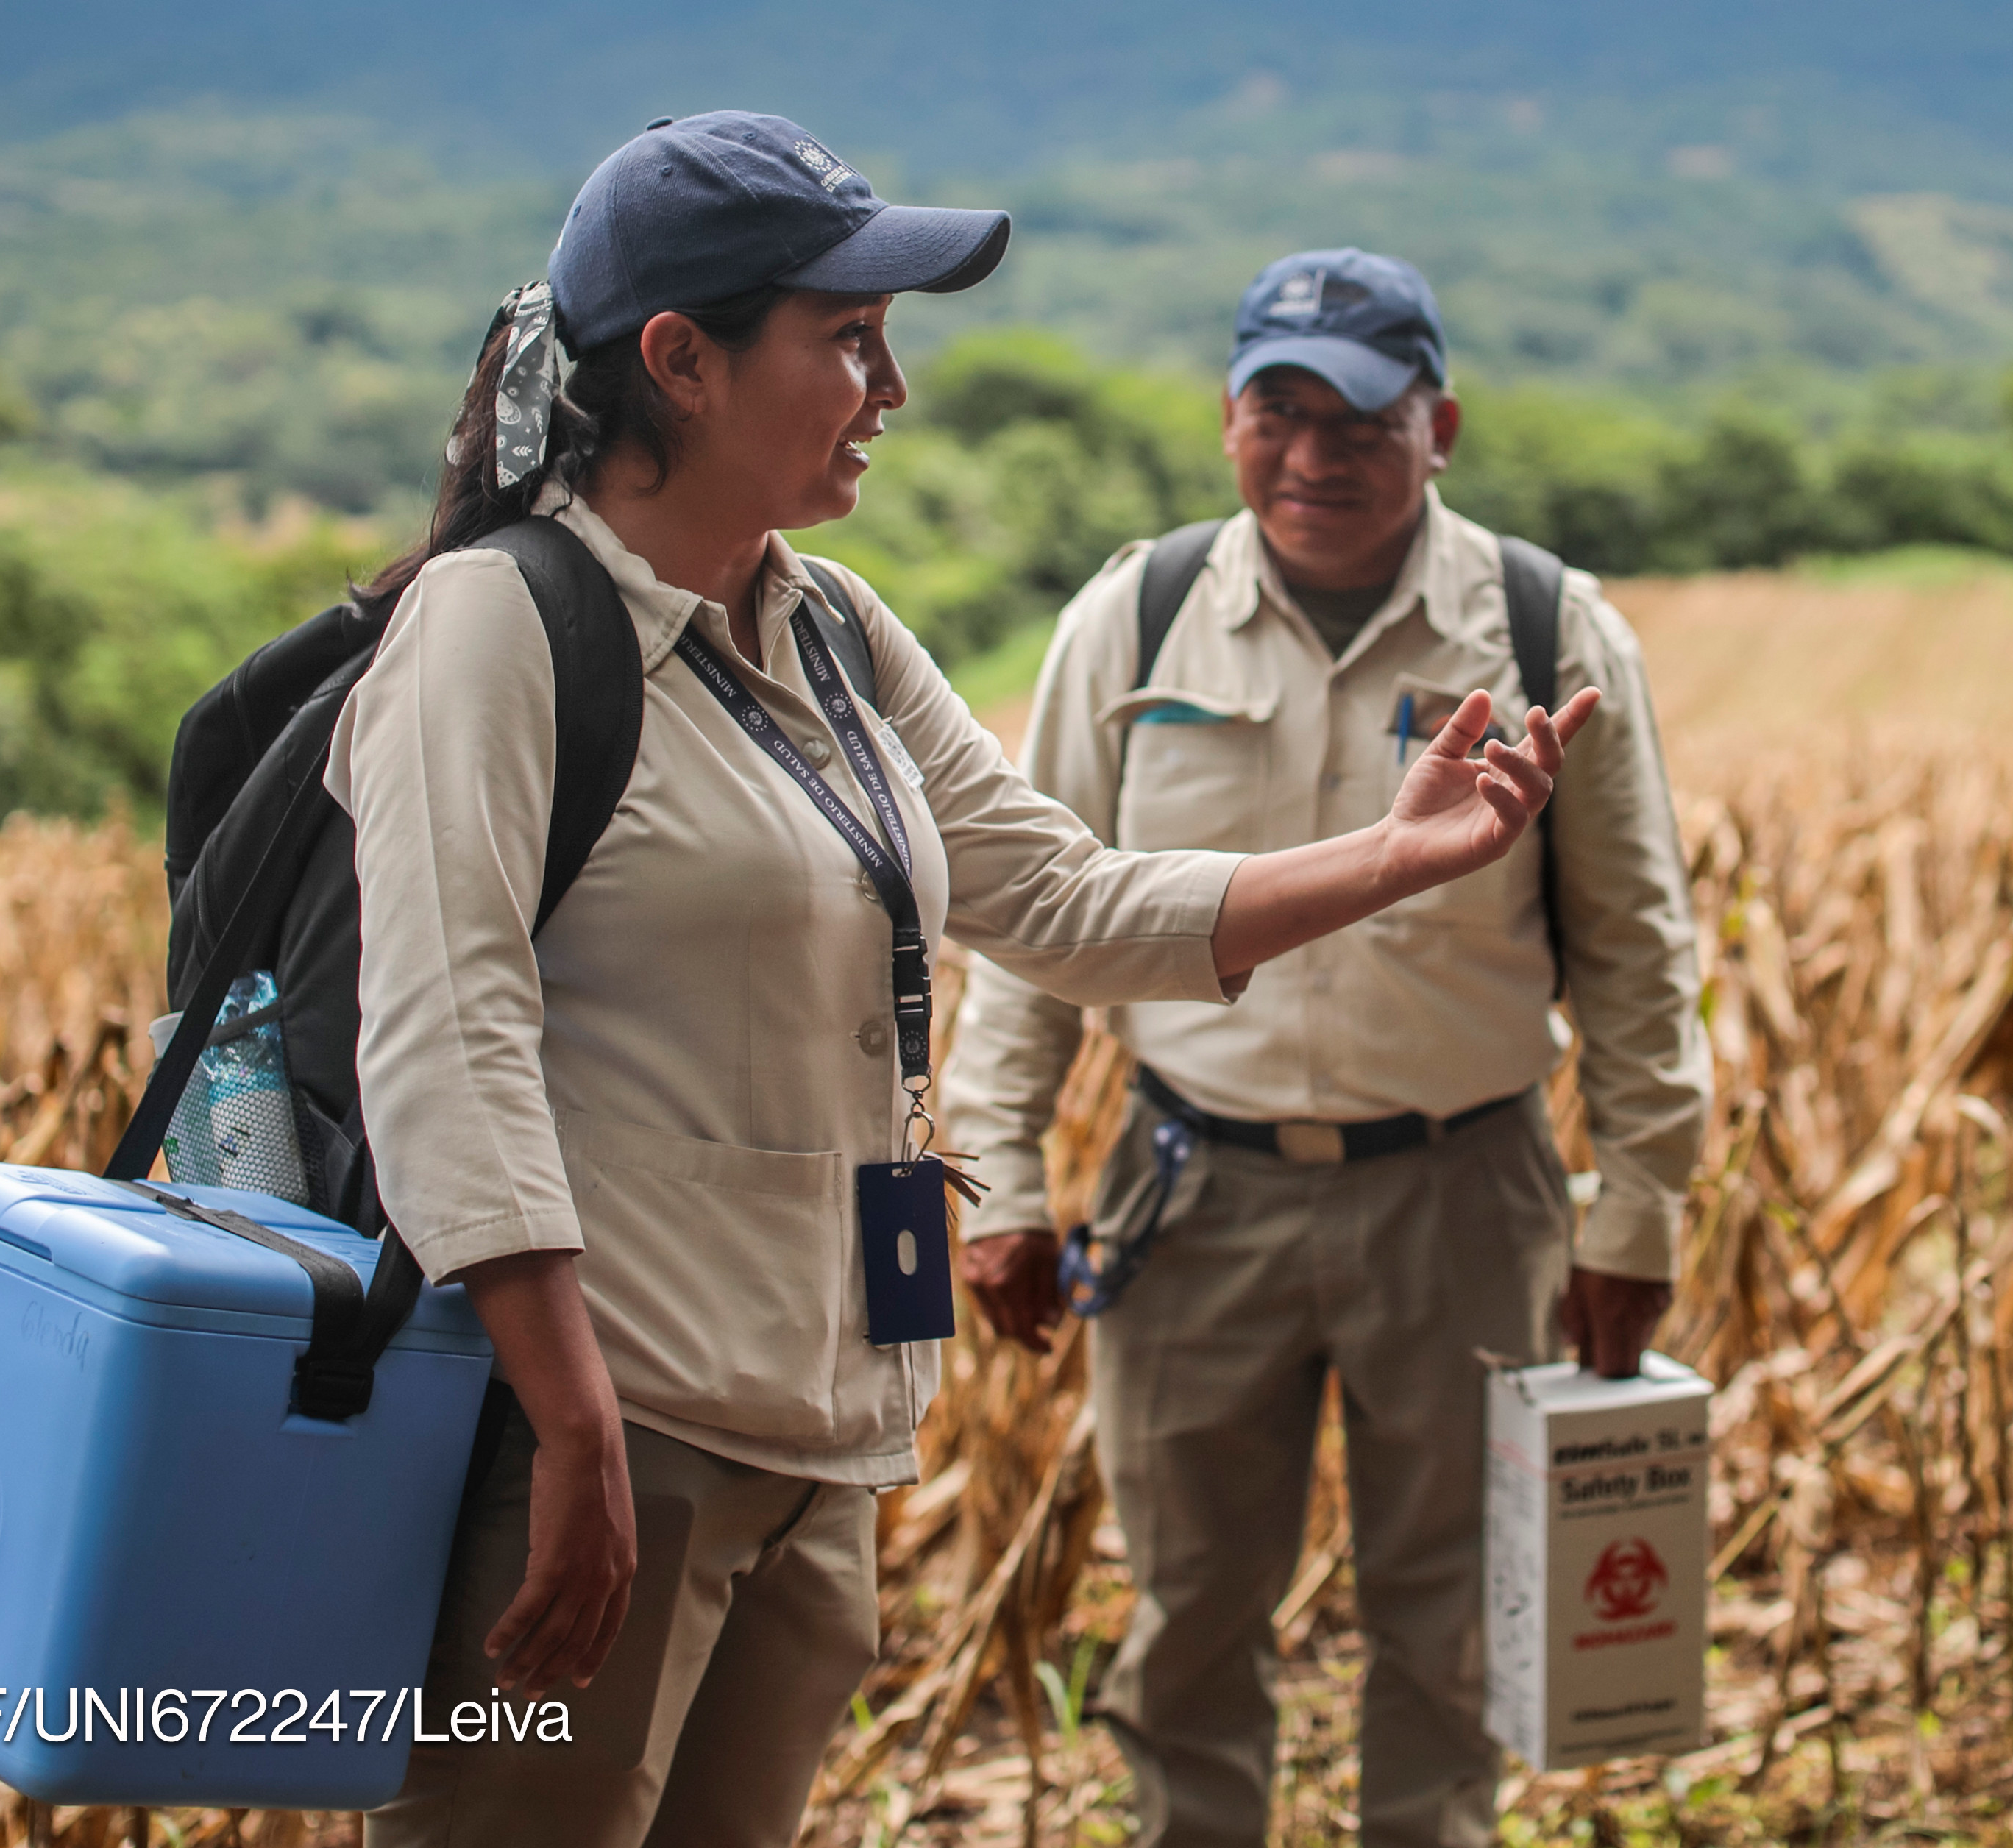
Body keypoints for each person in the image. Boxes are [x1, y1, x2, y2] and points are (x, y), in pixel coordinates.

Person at [331, 121, 1600, 1848]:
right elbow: (446, 1041)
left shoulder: (832, 629)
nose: (891, 385)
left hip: (812, 1448)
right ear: (680, 362)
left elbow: (1065, 896)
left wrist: (1397, 855)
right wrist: (569, 1426)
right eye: (846, 337)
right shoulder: (493, 628)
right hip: (601, 1442)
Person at [940, 247, 1708, 1848]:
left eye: (1359, 419)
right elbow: (1034, 916)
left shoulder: (1547, 627)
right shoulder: (1136, 615)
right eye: (1275, 413)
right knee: (1190, 1611)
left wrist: (1637, 1209)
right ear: (1228, 420)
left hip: (1464, 1188)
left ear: (1439, 426)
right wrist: (996, 1175)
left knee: (1450, 1619)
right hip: (1188, 1187)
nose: (1313, 457)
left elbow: (1638, 950)